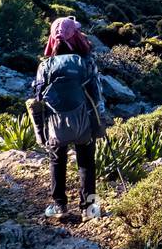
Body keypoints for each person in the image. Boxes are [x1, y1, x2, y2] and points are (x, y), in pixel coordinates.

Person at [30, 16, 107, 219]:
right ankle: (89, 209)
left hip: (55, 123)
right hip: (84, 121)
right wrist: (100, 120)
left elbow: (38, 97)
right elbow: (96, 94)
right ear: (76, 37)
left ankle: (59, 206)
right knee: (86, 163)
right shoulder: (86, 62)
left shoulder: (45, 66)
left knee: (56, 160)